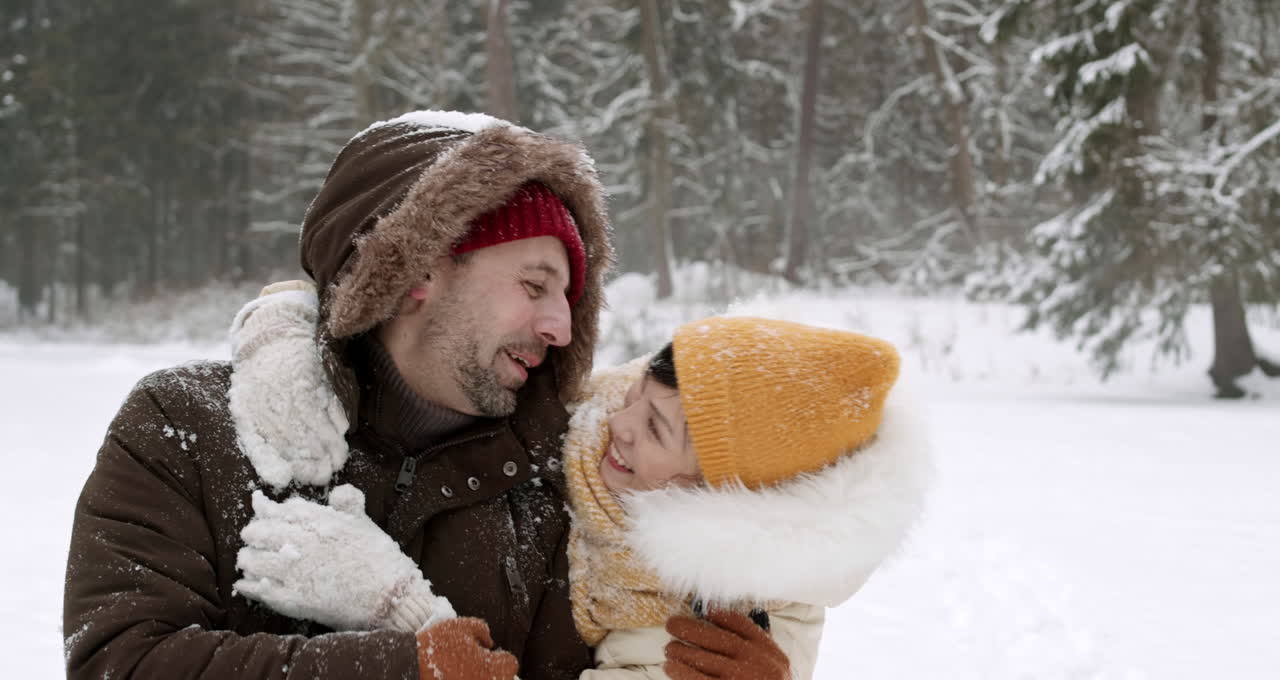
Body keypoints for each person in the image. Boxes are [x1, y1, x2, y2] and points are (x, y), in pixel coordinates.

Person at [61, 110, 616, 680]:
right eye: (534, 284)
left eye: (568, 298)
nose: (561, 328)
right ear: (417, 270)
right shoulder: (187, 428)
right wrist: (403, 670)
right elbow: (120, 664)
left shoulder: (559, 488)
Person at [232, 315, 931, 680]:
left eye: (654, 429)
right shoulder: (593, 411)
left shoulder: (704, 618)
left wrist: (399, 613)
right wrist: (280, 346)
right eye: (639, 394)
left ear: (721, 493)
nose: (619, 421)